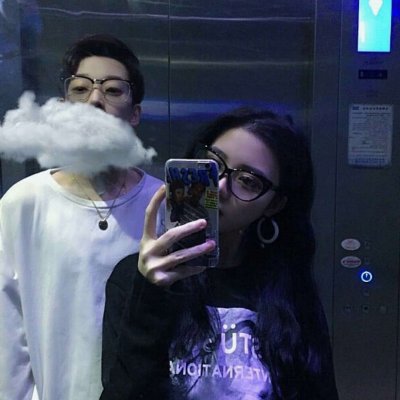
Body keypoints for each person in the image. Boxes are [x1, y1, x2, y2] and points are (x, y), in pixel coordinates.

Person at [100, 108, 339, 399]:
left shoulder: (289, 291)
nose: (220, 187)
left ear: (273, 205)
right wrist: (151, 295)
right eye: (213, 164)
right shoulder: (136, 277)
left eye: (248, 181)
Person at [0, 34, 162, 400]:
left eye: (113, 90)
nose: (95, 100)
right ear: (63, 107)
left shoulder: (162, 203)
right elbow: (7, 337)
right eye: (80, 89)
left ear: (135, 113)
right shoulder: (24, 203)